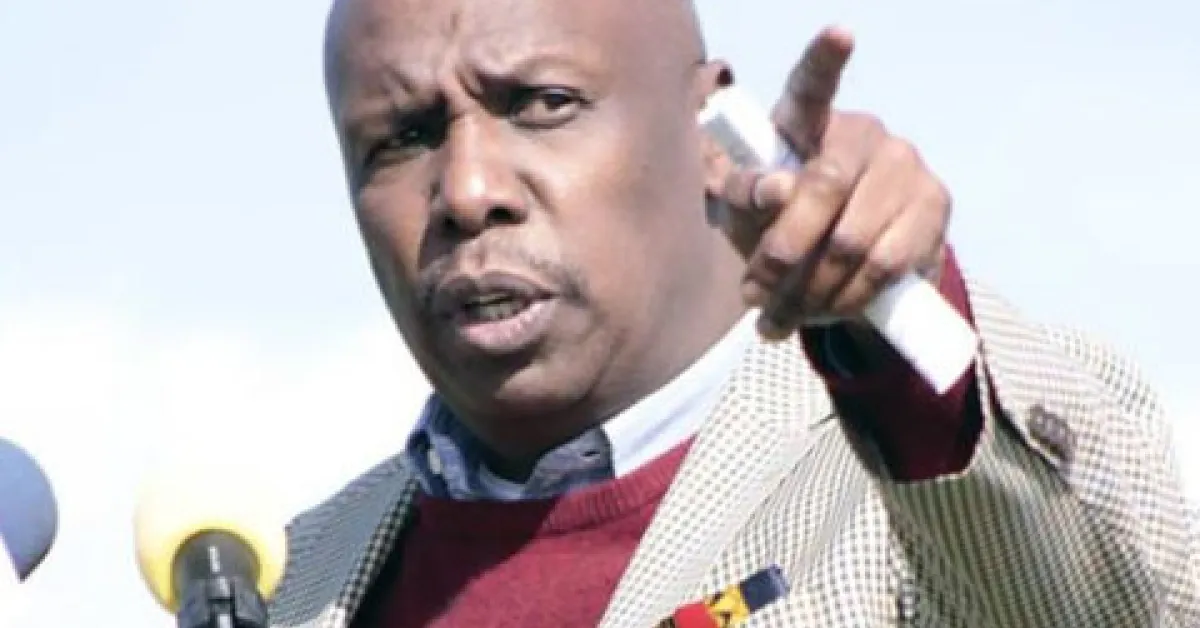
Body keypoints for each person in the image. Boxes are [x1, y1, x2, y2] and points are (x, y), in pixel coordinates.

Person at [267, 0, 1200, 625]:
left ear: (712, 132)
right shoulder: (297, 583)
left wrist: (904, 345)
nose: (468, 191)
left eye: (543, 104)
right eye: (402, 139)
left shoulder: (917, 466)